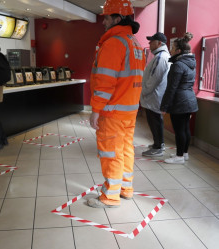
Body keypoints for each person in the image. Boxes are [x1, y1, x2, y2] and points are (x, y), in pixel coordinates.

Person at [88, 0, 145, 208]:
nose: (103, 22)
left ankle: (110, 197)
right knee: (125, 150)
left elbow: (105, 82)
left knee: (111, 152)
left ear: (117, 19)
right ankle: (125, 188)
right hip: (129, 111)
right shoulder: (135, 43)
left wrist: (95, 110)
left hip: (112, 112)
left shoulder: (114, 43)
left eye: (106, 17)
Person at [160, 32, 198, 164]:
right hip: (190, 100)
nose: (170, 50)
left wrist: (164, 106)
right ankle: (184, 153)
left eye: (172, 48)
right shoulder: (191, 62)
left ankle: (179, 156)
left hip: (180, 101)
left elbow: (171, 88)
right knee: (185, 128)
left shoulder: (177, 65)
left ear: (179, 51)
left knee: (179, 130)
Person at [140, 32, 170, 157]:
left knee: (155, 121)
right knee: (155, 121)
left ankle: (158, 147)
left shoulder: (160, 57)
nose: (149, 44)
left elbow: (154, 79)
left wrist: (144, 92)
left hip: (154, 96)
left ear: (159, 43)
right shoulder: (160, 56)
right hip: (154, 96)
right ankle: (157, 144)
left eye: (151, 42)